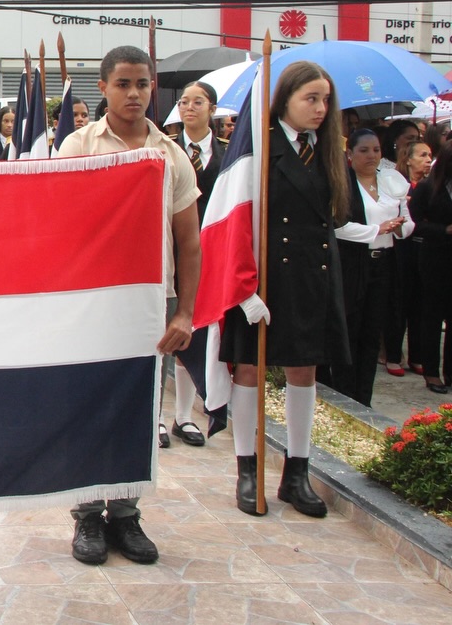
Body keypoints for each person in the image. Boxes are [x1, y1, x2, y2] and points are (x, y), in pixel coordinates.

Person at [55, 46, 199, 566]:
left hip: (152, 300)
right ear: (103, 88)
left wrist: (184, 312)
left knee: (138, 410)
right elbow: (58, 223)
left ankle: (126, 514)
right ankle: (88, 516)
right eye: (123, 84)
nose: (134, 93)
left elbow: (189, 242)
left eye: (142, 83)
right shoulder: (78, 147)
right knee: (87, 406)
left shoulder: (170, 154)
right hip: (92, 300)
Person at [221, 61, 349, 518]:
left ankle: (297, 472)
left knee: (304, 370)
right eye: (310, 98)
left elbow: (337, 217)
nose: (320, 108)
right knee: (249, 369)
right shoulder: (259, 147)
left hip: (311, 277)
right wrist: (243, 288)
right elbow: (235, 219)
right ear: (285, 99)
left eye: (325, 100)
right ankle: (247, 469)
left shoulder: (327, 150)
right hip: (265, 279)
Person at [325, 129, 411, 407]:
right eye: (364, 150)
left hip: (384, 263)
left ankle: (364, 398)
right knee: (350, 330)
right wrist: (377, 229)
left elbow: (407, 220)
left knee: (372, 333)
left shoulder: (390, 181)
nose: (371, 156)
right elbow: (337, 226)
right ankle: (345, 395)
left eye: (376, 150)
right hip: (353, 263)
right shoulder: (343, 184)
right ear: (350, 154)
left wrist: (398, 228)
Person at [166, 80, 227, 448]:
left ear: (212, 109)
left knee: (195, 329)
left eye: (198, 102)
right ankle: (157, 418)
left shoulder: (228, 154)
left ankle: (184, 416)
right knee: (163, 331)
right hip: (168, 249)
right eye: (184, 102)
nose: (189, 107)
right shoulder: (165, 149)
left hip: (210, 251)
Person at [408, 140, 452, 394]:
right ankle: (432, 372)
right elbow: (414, 223)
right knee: (432, 316)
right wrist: (443, 230)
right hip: (435, 257)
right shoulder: (428, 187)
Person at [388, 141, 434, 377]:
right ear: (408, 159)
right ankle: (393, 355)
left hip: (423, 251)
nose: (428, 160)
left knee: (420, 304)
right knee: (400, 303)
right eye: (422, 155)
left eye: (430, 155)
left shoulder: (431, 186)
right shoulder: (400, 186)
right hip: (402, 249)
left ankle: (417, 356)